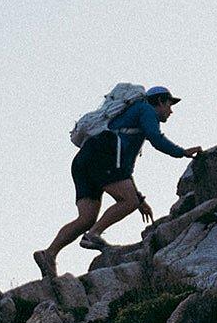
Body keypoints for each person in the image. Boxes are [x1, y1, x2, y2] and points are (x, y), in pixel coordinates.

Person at [35, 86, 201, 277]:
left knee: (86, 218)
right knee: (127, 202)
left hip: (84, 160)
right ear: (160, 101)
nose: (171, 111)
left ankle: (49, 254)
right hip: (101, 155)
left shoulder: (129, 121)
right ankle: (93, 235)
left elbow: (124, 170)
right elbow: (156, 139)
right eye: (169, 105)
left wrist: (139, 198)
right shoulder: (146, 109)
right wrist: (182, 152)